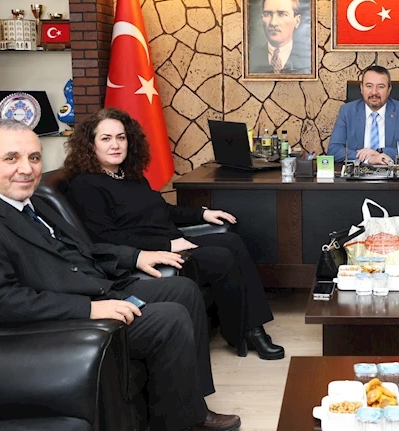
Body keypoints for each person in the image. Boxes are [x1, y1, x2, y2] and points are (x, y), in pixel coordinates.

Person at [0, 119, 241, 431]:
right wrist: (90, 309)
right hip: (64, 318)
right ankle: (184, 422)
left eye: (34, 157)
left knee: (182, 290)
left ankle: (192, 406)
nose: (26, 169)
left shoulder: (32, 201)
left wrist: (136, 256)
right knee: (169, 319)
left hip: (95, 285)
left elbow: (84, 248)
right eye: (11, 158)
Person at [62, 108, 284, 362]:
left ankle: (250, 329)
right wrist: (165, 244)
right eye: (106, 138)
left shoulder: (129, 174)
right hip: (150, 254)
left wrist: (202, 214)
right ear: (90, 145)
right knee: (222, 257)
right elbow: (104, 238)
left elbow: (161, 209)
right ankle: (248, 333)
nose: (115, 145)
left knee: (232, 240)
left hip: (171, 240)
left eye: (121, 137)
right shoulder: (85, 185)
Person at [327, 65, 399, 164]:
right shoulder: (347, 111)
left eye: (381, 87)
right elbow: (334, 150)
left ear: (389, 89)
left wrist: (380, 153)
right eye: (369, 86)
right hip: (357, 172)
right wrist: (368, 159)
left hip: (392, 172)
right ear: (361, 88)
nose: (374, 92)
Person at [249, 0, 311, 74]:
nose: (273, 23)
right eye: (267, 14)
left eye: (282, 14)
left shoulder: (309, 57)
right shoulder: (249, 57)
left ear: (297, 21)